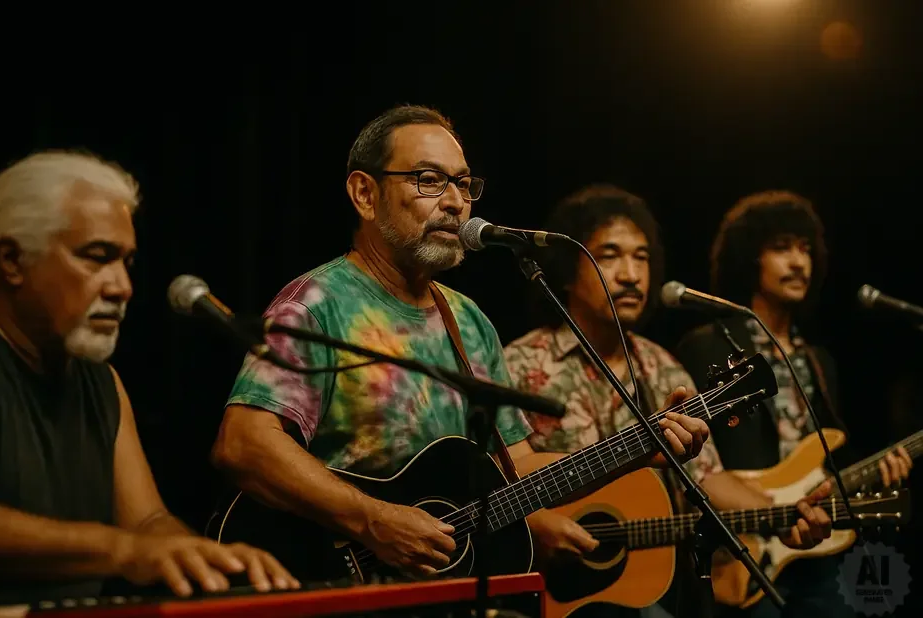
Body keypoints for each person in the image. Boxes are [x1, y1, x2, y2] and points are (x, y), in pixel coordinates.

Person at [211, 106, 713, 581]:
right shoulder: (318, 304)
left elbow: (515, 472)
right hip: (331, 582)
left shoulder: (468, 320)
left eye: (463, 184)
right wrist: (372, 520)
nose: (454, 202)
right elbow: (245, 443)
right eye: (429, 180)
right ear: (365, 194)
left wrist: (637, 449)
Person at [0, 152, 298, 614]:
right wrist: (122, 550)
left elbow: (147, 521)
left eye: (126, 262)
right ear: (13, 260)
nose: (122, 286)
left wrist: (211, 562)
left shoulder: (100, 380)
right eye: (97, 258)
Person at [503, 186, 835, 618]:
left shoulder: (664, 369)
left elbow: (710, 478)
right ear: (567, 272)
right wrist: (534, 525)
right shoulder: (518, 363)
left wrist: (784, 515)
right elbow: (495, 484)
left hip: (637, 592)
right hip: (546, 590)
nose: (629, 274)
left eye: (641, 257)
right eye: (609, 255)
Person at [676, 190, 912, 617]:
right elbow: (698, 459)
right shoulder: (707, 345)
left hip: (814, 542)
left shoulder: (817, 359)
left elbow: (828, 450)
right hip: (743, 545)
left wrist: (879, 470)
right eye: (781, 248)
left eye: (805, 249)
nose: (798, 262)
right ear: (750, 257)